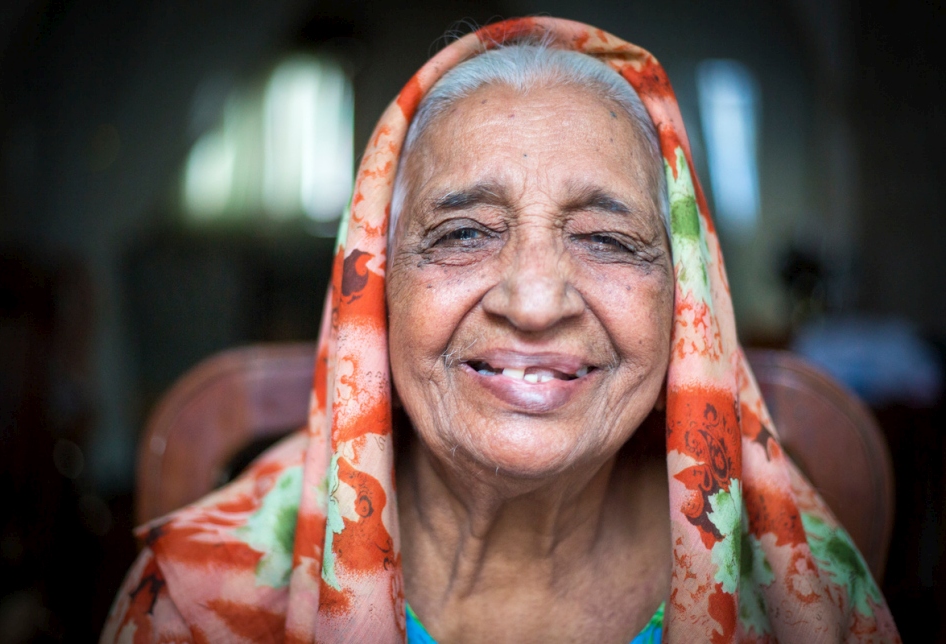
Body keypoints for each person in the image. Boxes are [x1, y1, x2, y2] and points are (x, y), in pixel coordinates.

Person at [102, 17, 900, 643]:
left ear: (687, 304)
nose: (534, 300)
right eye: (463, 234)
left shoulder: (805, 597)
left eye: (607, 240)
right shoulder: (200, 598)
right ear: (373, 290)